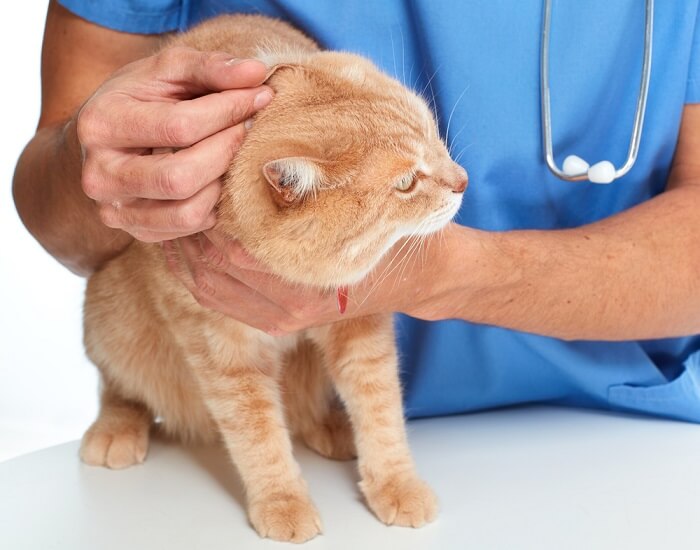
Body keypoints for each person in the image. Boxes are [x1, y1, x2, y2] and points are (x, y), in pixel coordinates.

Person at [13, 1, 700, 422]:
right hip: (307, 420)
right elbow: (60, 221)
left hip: (630, 419)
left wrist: (443, 276)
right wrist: (98, 163)